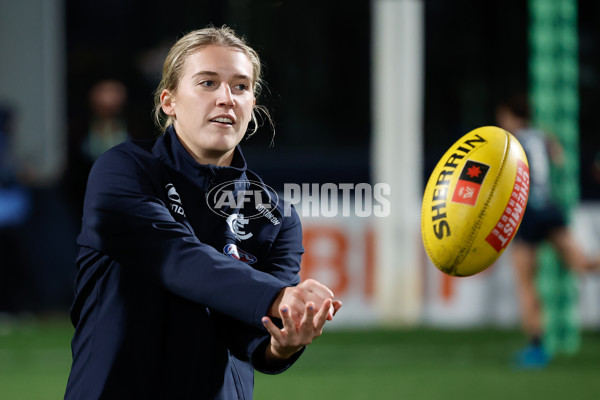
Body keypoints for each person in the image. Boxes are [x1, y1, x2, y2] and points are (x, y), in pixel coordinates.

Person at [65, 26, 342, 399]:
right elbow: (175, 257)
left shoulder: (275, 216)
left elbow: (253, 335)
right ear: (169, 101)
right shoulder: (122, 171)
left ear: (253, 104)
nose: (226, 98)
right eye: (208, 83)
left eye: (241, 86)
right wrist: (277, 296)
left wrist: (283, 341)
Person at [495, 93, 599, 368]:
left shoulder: (509, 142)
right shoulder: (542, 136)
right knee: (582, 263)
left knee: (526, 284)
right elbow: (560, 159)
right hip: (549, 209)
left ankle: (536, 349)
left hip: (526, 212)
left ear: (509, 115)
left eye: (503, 117)